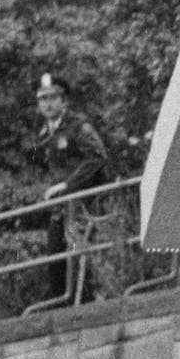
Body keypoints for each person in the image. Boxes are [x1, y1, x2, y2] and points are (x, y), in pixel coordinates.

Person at [30, 73, 112, 299]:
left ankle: (87, 308)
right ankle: (62, 311)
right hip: (62, 208)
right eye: (42, 99)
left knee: (78, 260)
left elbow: (97, 158)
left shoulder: (78, 126)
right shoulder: (45, 133)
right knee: (55, 260)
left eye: (52, 97)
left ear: (64, 101)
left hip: (83, 204)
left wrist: (67, 184)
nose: (47, 103)